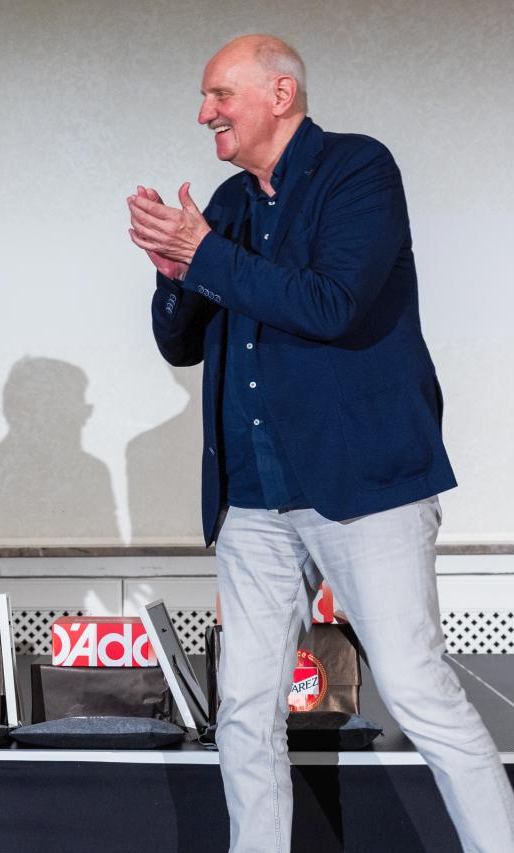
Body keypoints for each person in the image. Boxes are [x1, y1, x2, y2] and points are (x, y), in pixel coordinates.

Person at [128, 34, 514, 853]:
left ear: (280, 94)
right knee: (244, 708)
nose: (204, 114)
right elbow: (180, 343)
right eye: (204, 99)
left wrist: (207, 254)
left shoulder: (358, 170)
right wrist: (172, 269)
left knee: (418, 690)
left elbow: (332, 304)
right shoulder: (228, 204)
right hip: (252, 498)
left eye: (219, 95)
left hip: (363, 484)